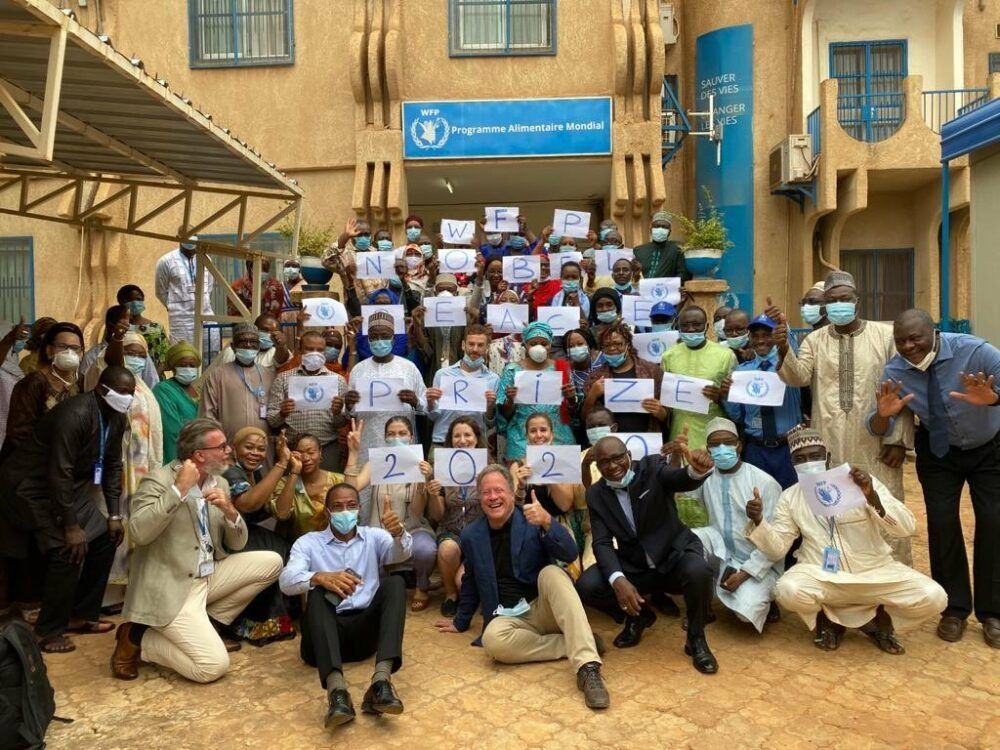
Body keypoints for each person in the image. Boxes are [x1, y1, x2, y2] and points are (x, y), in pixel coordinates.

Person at [744, 425, 946, 654]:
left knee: (934, 597)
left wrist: (871, 497)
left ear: (828, 457)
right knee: (787, 589)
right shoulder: (790, 497)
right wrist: (759, 521)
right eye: (800, 459)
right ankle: (827, 619)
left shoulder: (861, 483)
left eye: (815, 456)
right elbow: (777, 549)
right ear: (793, 463)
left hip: (874, 572)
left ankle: (881, 619)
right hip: (822, 573)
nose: (808, 462)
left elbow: (906, 528)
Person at [110, 418, 283, 682]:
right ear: (200, 455)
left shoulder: (219, 483)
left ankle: (209, 624)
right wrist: (178, 490)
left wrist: (230, 512)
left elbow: (237, 544)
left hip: (208, 575)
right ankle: (137, 637)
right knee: (212, 667)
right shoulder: (159, 480)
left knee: (272, 562)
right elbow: (139, 533)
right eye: (221, 446)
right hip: (174, 585)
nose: (228, 451)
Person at [868, 308, 1000, 648]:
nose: (908, 347)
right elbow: (878, 424)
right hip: (939, 451)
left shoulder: (977, 352)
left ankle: (993, 613)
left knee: (993, 521)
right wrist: (882, 416)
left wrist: (994, 399)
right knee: (942, 523)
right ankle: (954, 609)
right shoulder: (895, 371)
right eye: (901, 341)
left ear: (935, 333)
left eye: (916, 338)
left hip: (989, 447)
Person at [434, 465, 610, 710]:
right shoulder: (472, 534)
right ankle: (577, 641)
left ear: (511, 491)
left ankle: (588, 666)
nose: (493, 497)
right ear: (479, 497)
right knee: (493, 641)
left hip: (543, 608)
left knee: (552, 573)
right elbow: (471, 580)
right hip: (509, 617)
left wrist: (548, 522)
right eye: (486, 492)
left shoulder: (532, 519)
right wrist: (461, 621)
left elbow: (569, 553)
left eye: (499, 490)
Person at [775, 270, 913, 564]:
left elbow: (901, 389)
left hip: (876, 443)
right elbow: (798, 377)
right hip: (829, 440)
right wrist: (784, 347)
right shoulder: (814, 340)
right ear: (825, 306)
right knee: (834, 508)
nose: (839, 304)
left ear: (856, 300)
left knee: (882, 503)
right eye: (832, 300)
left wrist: (898, 440)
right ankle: (839, 573)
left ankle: (891, 572)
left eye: (844, 298)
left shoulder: (885, 337)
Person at [0, 367, 133, 653]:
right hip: (30, 487)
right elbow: (59, 471)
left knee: (105, 538)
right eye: (122, 392)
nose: (127, 398)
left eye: (131, 393)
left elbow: (113, 466)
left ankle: (81, 615)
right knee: (69, 548)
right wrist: (70, 526)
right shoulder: (75, 414)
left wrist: (114, 514)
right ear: (101, 389)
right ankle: (48, 632)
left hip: (65, 489)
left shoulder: (116, 417)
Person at [577, 436, 719, 673]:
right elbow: (601, 542)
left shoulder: (652, 467)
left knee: (699, 572)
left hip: (673, 556)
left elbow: (679, 479)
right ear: (597, 466)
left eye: (618, 458)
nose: (612, 466)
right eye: (604, 462)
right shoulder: (596, 494)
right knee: (587, 586)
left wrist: (695, 472)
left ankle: (696, 639)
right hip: (635, 565)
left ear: (629, 456)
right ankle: (639, 616)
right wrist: (618, 580)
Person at [280, 483, 410, 728]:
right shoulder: (308, 543)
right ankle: (337, 693)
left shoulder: (374, 537)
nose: (345, 512)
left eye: (351, 505)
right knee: (318, 592)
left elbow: (401, 554)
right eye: (338, 507)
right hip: (323, 638)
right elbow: (286, 581)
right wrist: (319, 577)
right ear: (327, 511)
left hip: (363, 634)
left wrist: (398, 533)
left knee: (395, 583)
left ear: (359, 508)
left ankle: (381, 683)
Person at [688, 418, 783, 631]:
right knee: (690, 540)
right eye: (715, 444)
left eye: (728, 442)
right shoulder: (706, 477)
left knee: (746, 614)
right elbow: (682, 490)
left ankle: (767, 597)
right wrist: (679, 457)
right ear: (708, 449)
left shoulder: (764, 482)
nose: (722, 448)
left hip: (758, 563)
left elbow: (776, 543)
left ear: (739, 445)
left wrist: (744, 574)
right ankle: (703, 605)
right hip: (723, 555)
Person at [346, 417, 436, 611]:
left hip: (412, 529)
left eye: (402, 434)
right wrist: (353, 453)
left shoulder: (420, 465)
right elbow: (351, 489)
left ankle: (422, 586)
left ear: (411, 437)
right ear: (385, 438)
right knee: (370, 580)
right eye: (391, 434)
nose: (396, 438)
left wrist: (424, 481)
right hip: (379, 530)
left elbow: (417, 511)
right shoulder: (376, 462)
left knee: (426, 550)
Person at [344, 311, 427, 518]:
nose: (379, 340)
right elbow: (349, 413)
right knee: (365, 499)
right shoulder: (359, 370)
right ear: (368, 339)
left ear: (393, 338)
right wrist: (349, 404)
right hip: (367, 444)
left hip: (401, 445)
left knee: (402, 503)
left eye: (384, 336)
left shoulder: (409, 368)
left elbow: (426, 407)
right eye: (374, 336)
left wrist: (415, 401)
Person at [224, 427, 296, 646]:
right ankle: (253, 624)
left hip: (246, 532)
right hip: (230, 538)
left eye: (261, 449)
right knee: (273, 552)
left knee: (285, 547)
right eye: (249, 447)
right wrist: (281, 464)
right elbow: (248, 504)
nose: (255, 453)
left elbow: (277, 511)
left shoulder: (255, 473)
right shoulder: (231, 472)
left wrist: (294, 473)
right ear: (234, 449)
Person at [723, 314, 803, 489]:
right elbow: (737, 415)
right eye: (756, 336)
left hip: (788, 447)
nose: (760, 340)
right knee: (757, 496)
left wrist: (783, 326)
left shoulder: (789, 366)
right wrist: (727, 396)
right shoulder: (742, 372)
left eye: (767, 335)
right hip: (756, 449)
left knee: (790, 497)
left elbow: (791, 350)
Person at [510, 412, 594, 580]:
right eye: (533, 431)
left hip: (557, 523)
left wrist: (548, 477)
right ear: (526, 436)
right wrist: (521, 485)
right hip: (527, 525)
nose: (538, 435)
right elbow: (513, 507)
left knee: (566, 575)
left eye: (543, 430)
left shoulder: (563, 462)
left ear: (551, 434)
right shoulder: (517, 465)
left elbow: (565, 505)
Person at [426, 417, 487, 616]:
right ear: (450, 440)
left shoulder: (488, 467)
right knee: (447, 549)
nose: (462, 440)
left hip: (480, 531)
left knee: (463, 582)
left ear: (477, 439)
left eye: (467, 435)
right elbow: (437, 515)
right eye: (456, 436)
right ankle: (450, 595)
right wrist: (433, 494)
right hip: (451, 530)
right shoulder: (441, 469)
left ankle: (471, 590)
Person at [1, 322, 85, 460]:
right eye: (62, 346)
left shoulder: (81, 381)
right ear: (49, 350)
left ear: (81, 353)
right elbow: (19, 434)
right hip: (30, 463)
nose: (69, 352)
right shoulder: (33, 383)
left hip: (66, 462)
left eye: (74, 348)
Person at [495, 321, 576, 462]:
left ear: (550, 345)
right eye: (533, 344)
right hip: (522, 437)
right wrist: (510, 400)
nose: (539, 347)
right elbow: (504, 414)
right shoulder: (512, 370)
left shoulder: (561, 368)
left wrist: (570, 397)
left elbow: (573, 409)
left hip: (558, 434)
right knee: (522, 473)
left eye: (544, 343)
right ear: (525, 345)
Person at [267, 330, 349, 470]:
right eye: (310, 349)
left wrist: (337, 413)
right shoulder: (283, 379)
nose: (315, 354)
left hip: (327, 448)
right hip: (293, 450)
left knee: (327, 484)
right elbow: (272, 421)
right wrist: (282, 413)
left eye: (320, 350)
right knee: (291, 484)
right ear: (300, 349)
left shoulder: (338, 381)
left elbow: (342, 423)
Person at [661, 306, 737, 450]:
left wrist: (720, 397)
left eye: (696, 324)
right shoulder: (668, 356)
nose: (690, 329)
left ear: (706, 326)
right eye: (685, 325)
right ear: (678, 327)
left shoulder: (726, 355)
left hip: (714, 432)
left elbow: (736, 399)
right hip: (679, 431)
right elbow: (665, 399)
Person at [583, 321, 668, 434]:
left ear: (628, 345)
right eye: (607, 345)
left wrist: (660, 411)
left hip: (646, 439)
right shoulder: (595, 377)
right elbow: (585, 419)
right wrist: (592, 395)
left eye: (618, 344)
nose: (612, 348)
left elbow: (668, 415)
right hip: (610, 440)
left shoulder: (652, 371)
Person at [199, 322, 276, 443]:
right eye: (243, 341)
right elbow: (207, 415)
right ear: (233, 346)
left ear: (258, 347)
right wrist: (218, 444)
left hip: (263, 448)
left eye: (253, 342)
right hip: (229, 447)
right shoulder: (217, 375)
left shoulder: (269, 375)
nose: (248, 345)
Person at [427, 324, 499, 451]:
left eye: (480, 345)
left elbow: (490, 424)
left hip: (475, 444)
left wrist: (489, 406)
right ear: (463, 345)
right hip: (443, 441)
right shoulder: (442, 374)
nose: (475, 349)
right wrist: (430, 402)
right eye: (471, 344)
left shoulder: (493, 379)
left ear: (487, 348)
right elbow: (433, 417)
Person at [270, 433, 348, 544]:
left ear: (320, 452)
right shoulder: (283, 483)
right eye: (300, 453)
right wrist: (295, 471)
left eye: (311, 452)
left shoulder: (338, 481)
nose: (306, 458)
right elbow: (282, 514)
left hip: (334, 545)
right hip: (296, 547)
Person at [154, 232, 215, 346]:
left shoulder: (205, 259)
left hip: (206, 317)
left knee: (211, 352)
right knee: (183, 354)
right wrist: (174, 307)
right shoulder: (166, 261)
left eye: (194, 234)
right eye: (187, 234)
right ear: (178, 238)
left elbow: (209, 286)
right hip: (181, 321)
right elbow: (160, 291)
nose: (191, 238)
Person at [81, 305, 159, 391]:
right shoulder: (93, 356)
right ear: (111, 326)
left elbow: (152, 383)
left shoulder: (140, 353)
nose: (130, 326)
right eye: (130, 354)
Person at [153, 341, 202, 464]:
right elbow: (171, 430)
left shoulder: (198, 390)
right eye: (182, 365)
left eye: (192, 365)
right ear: (173, 367)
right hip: (178, 452)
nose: (188, 369)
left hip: (201, 450)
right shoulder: (163, 389)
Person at [117, 284, 169, 373]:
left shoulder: (157, 328)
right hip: (125, 375)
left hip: (156, 376)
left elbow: (165, 355)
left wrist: (154, 375)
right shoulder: (119, 328)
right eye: (129, 300)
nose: (134, 303)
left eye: (138, 299)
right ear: (121, 303)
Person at [632, 211, 689, 280]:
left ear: (669, 232)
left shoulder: (677, 248)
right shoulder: (638, 251)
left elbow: (683, 274)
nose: (660, 229)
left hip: (668, 286)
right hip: (642, 286)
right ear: (651, 230)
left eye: (664, 227)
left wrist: (669, 284)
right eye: (657, 226)